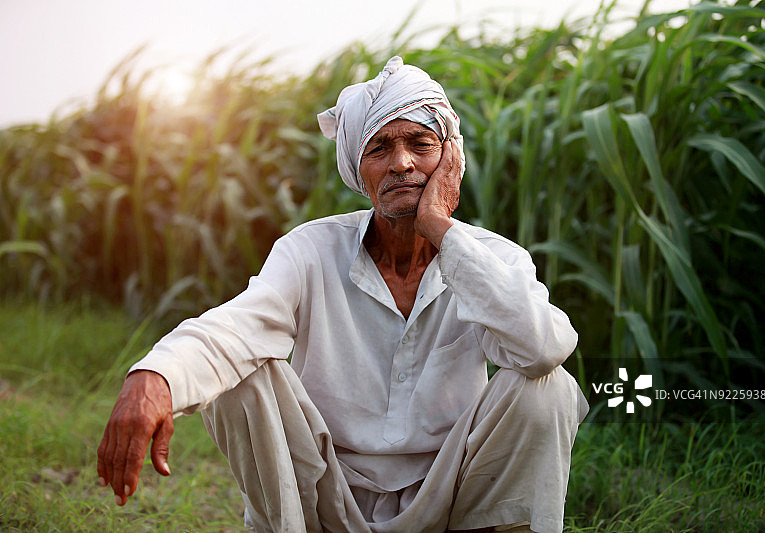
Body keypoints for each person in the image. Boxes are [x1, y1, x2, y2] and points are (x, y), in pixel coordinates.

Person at [97, 56, 589, 533]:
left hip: (448, 495)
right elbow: (237, 327)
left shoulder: (493, 257)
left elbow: (544, 347)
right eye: (379, 149)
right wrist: (155, 376)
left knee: (548, 388)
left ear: (450, 160)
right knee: (241, 376)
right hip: (324, 496)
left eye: (420, 143)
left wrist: (439, 226)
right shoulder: (310, 249)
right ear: (358, 168)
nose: (401, 163)